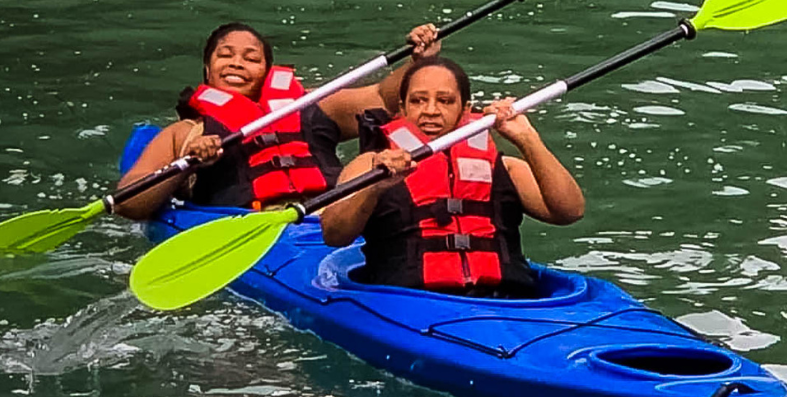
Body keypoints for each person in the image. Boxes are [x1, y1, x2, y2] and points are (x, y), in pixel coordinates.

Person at [117, 22, 440, 219]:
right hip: (249, 226)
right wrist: (188, 163)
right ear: (207, 69)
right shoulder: (187, 133)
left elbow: (385, 99)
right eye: (225, 55)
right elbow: (128, 203)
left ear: (268, 71)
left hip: (325, 220)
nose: (237, 63)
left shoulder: (312, 105)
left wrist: (420, 61)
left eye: (251, 58)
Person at [320, 57, 584, 298]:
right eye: (418, 100)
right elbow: (334, 235)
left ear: (465, 108)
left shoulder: (506, 168)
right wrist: (375, 187)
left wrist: (527, 139)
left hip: (504, 301)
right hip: (409, 301)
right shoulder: (372, 165)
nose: (431, 110)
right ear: (401, 109)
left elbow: (569, 212)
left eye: (445, 101)